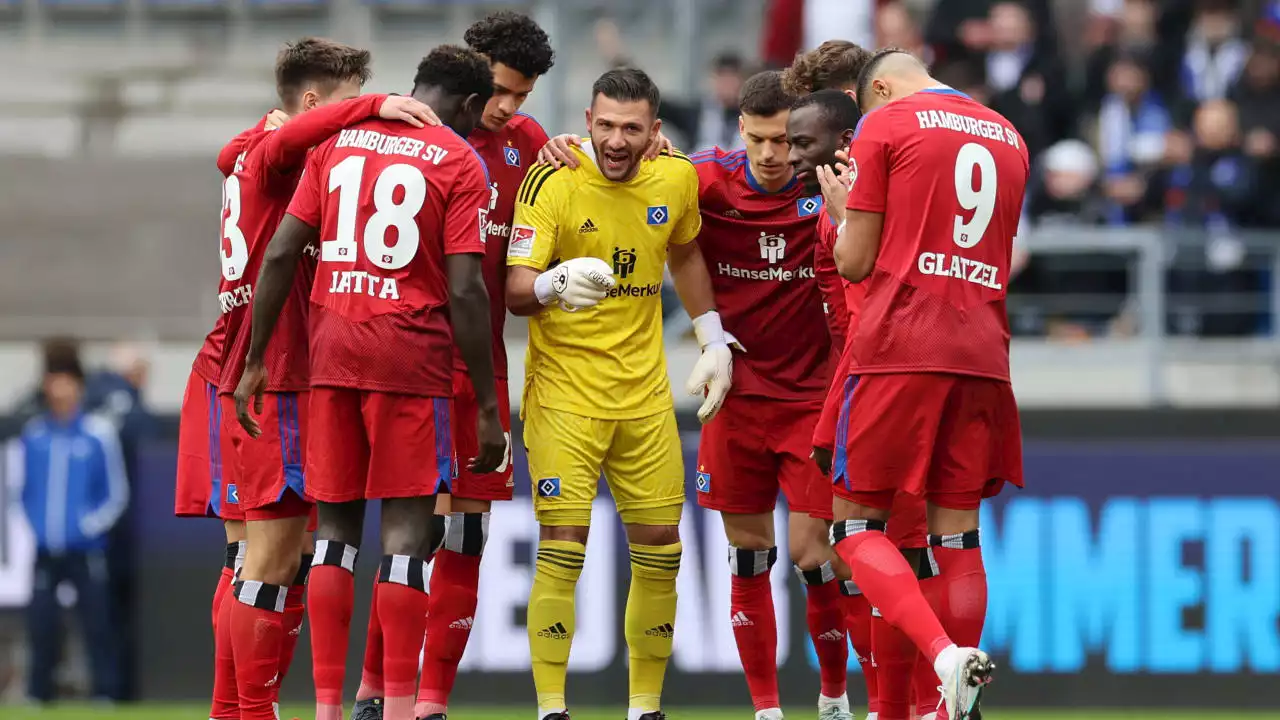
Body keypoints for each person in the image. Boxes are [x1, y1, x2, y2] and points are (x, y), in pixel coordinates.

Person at [234, 43, 505, 720]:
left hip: (331, 353)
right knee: (409, 537)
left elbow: (282, 249)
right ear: (470, 105)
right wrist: (489, 408)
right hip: (409, 362)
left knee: (333, 535)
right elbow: (469, 289)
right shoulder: (457, 156)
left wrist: (257, 356)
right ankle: (402, 705)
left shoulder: (336, 144)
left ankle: (327, 707)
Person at [213, 37, 439, 720]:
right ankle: (251, 713)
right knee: (273, 560)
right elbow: (281, 145)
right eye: (347, 106)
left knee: (260, 559)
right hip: (275, 370)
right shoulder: (282, 154)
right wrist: (377, 105)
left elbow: (232, 152)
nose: (360, 123)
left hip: (255, 365)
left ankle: (232, 710)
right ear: (313, 105)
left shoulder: (254, 147)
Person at [347, 14, 555, 720]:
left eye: (521, 97)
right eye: (499, 90)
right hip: (411, 362)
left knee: (468, 532)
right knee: (416, 534)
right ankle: (377, 691)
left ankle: (430, 704)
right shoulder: (411, 132)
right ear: (471, 72)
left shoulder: (530, 149)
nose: (507, 108)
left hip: (481, 362)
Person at [506, 67, 731, 720]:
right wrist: (550, 286)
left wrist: (712, 336)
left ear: (655, 132)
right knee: (564, 545)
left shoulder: (676, 176)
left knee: (663, 545)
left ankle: (645, 708)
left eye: (631, 128)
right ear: (587, 119)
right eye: (605, 124)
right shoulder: (553, 177)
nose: (615, 138)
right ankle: (552, 708)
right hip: (564, 396)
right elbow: (516, 288)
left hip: (644, 394)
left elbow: (686, 252)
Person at [821, 49, 1028, 720]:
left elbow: (854, 262)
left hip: (901, 346)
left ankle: (943, 658)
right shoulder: (1010, 136)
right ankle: (952, 710)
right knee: (958, 535)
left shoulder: (886, 123)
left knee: (853, 528)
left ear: (878, 87)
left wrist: (842, 209)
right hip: (984, 352)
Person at [687, 71, 851, 720]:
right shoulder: (704, 180)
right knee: (748, 557)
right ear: (740, 132)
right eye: (758, 139)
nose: (772, 155)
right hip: (735, 399)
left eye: (784, 140)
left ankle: (834, 699)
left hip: (813, 402)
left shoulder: (830, 187)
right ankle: (766, 711)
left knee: (818, 557)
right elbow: (633, 169)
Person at [796, 88, 944, 720]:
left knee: (868, 540)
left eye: (804, 142)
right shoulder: (864, 199)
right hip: (886, 378)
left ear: (847, 141)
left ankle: (935, 678)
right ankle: (907, 704)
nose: (794, 156)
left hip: (881, 382)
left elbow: (858, 280)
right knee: (894, 552)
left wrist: (848, 216)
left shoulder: (863, 206)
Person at [13, 350, 128, 704]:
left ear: (78, 386)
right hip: (47, 550)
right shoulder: (34, 435)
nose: (60, 389)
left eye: (67, 381)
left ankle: (105, 693)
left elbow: (116, 493)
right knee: (41, 624)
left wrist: (87, 526)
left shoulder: (98, 434)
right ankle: (37, 694)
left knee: (96, 623)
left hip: (87, 549)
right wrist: (38, 527)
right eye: (54, 381)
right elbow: (25, 490)